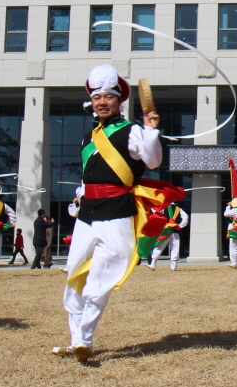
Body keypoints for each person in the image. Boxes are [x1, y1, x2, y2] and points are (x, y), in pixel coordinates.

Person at [54, 64, 169, 362]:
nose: (102, 102)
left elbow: (153, 161)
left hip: (117, 210)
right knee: (74, 273)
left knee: (103, 275)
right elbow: (85, 179)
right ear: (91, 102)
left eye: (108, 97)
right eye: (97, 98)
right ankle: (77, 339)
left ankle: (86, 340)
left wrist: (152, 131)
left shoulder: (132, 131)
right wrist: (78, 200)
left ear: (119, 101)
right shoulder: (88, 138)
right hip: (87, 213)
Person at [147, 203, 189, 270]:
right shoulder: (178, 209)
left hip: (165, 232)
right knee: (175, 248)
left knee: (159, 247)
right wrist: (180, 225)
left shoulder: (163, 207)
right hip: (175, 232)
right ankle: (174, 267)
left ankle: (153, 264)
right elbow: (186, 217)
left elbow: (155, 211)